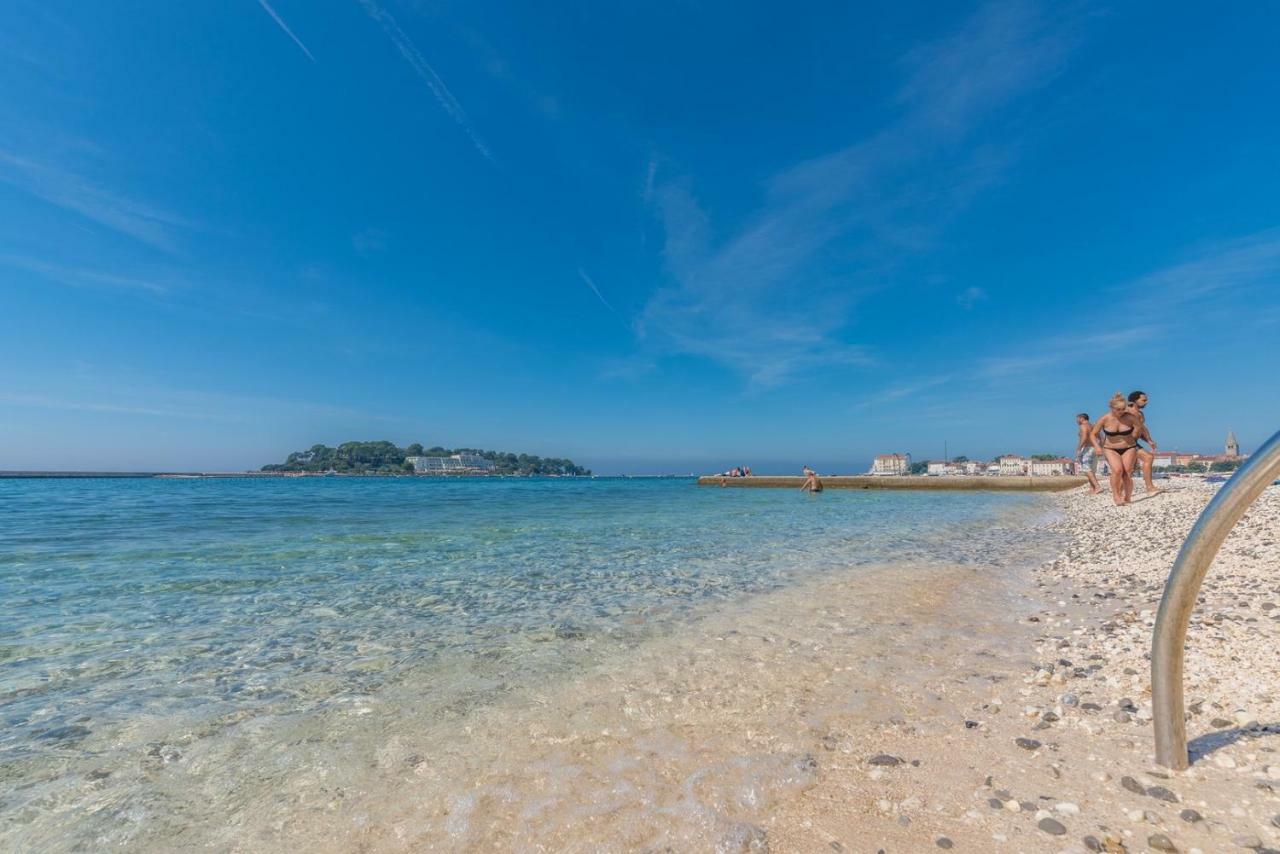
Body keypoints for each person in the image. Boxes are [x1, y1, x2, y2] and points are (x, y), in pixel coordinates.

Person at [1090, 392, 1140, 506]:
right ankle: (1116, 496)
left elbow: (1139, 427)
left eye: (1123, 408)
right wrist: (1097, 446)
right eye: (1119, 409)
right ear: (1112, 408)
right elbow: (1093, 434)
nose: (1122, 411)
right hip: (1110, 448)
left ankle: (1127, 497)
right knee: (1117, 470)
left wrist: (1134, 437)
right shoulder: (1104, 419)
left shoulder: (1130, 417)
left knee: (1127, 472)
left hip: (1129, 447)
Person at [1127, 390, 1161, 495]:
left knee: (1132, 467)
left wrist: (1149, 441)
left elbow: (1142, 429)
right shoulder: (1127, 412)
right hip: (1125, 444)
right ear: (1135, 400)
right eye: (1143, 400)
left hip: (1133, 443)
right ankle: (1148, 487)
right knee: (1129, 468)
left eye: (1146, 400)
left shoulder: (1140, 414)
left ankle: (1148, 487)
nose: (1146, 402)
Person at [1075, 412, 1102, 494]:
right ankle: (1092, 488)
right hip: (1095, 448)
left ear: (1082, 418)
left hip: (1088, 449)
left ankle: (1097, 487)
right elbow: (1101, 437)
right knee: (1091, 470)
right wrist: (1099, 447)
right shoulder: (1093, 426)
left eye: (1077, 419)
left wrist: (1079, 448)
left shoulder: (1083, 426)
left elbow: (1084, 436)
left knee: (1086, 469)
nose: (1076, 421)